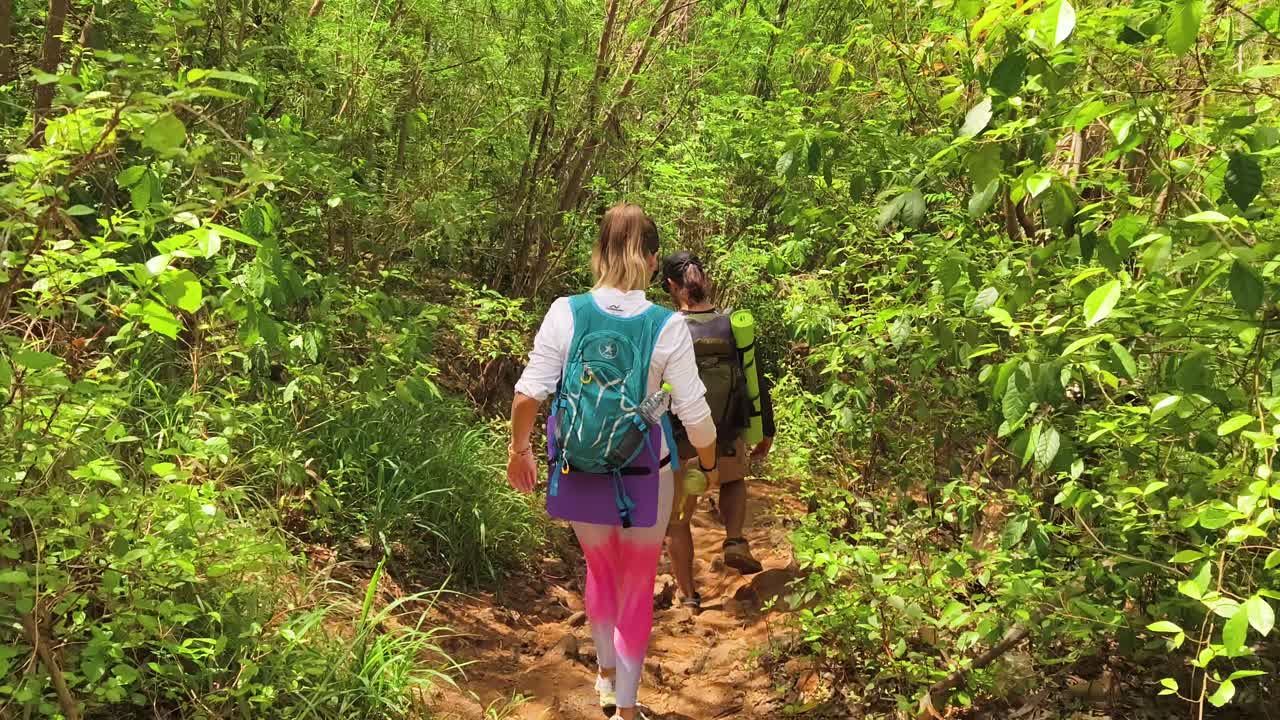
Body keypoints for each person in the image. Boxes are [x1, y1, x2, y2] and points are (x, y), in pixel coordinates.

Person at [507, 204, 720, 720]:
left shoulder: (566, 310)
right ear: (652, 261)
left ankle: (604, 674)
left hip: (581, 468)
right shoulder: (667, 325)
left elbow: (529, 393)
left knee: (601, 568)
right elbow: (695, 416)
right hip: (648, 470)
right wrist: (710, 469)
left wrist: (519, 451)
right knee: (638, 578)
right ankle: (626, 705)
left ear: (598, 253)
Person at [662, 250, 776, 609]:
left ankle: (689, 595)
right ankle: (735, 539)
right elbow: (755, 376)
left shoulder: (667, 327)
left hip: (682, 437)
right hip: (727, 428)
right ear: (705, 280)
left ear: (670, 286)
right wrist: (765, 428)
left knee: (679, 521)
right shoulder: (731, 324)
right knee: (733, 481)